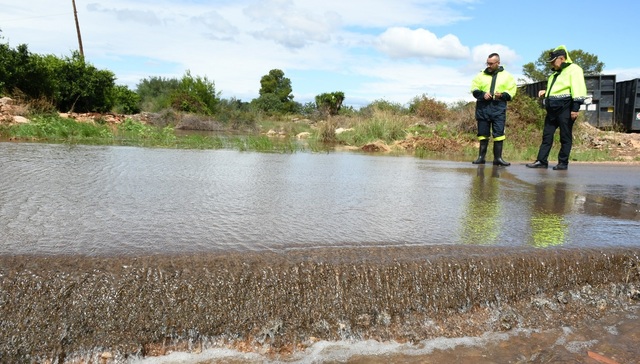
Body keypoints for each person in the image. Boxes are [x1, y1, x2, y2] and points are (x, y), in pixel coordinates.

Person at [526, 45, 587, 170]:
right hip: (552, 109)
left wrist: (575, 108)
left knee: (565, 136)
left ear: (562, 58)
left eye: (554, 61)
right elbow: (557, 88)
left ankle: (563, 163)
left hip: (566, 107)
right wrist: (546, 91)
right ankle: (541, 161)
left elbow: (578, 88)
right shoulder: (554, 74)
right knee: (547, 135)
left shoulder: (574, 69)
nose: (552, 64)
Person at [470, 53, 517, 166]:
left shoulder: (507, 76)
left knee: (499, 133)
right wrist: (482, 94)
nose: (488, 65)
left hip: (498, 108)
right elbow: (474, 88)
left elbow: (512, 91)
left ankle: (498, 159)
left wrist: (502, 95)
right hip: (483, 108)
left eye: (491, 63)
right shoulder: (480, 75)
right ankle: (481, 157)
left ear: (498, 63)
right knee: (483, 134)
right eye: (487, 63)